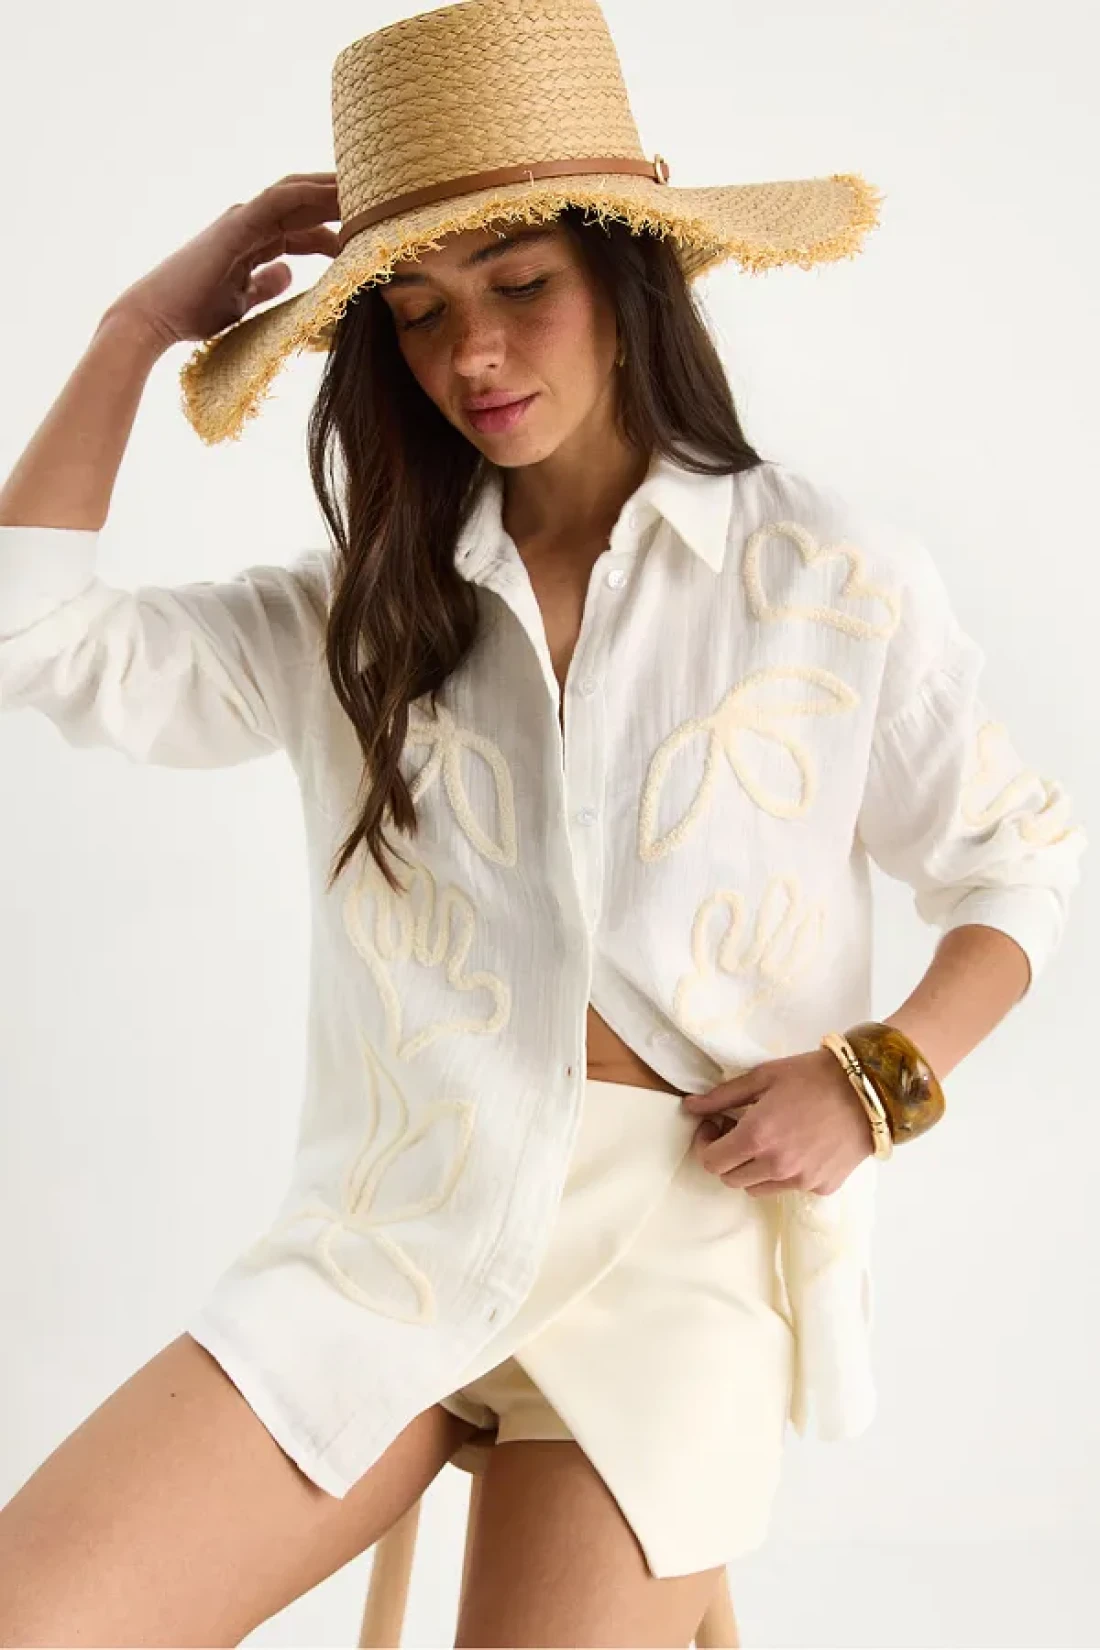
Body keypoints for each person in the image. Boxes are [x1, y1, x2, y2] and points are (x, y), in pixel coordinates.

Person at [0, 0, 1086, 1644]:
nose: (475, 357)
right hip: (391, 1233)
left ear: (626, 274)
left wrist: (878, 1080)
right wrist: (139, 324)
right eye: (420, 313)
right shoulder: (363, 617)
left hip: (680, 1253)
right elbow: (32, 635)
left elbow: (1017, 856)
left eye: (521, 285)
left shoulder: (824, 574)